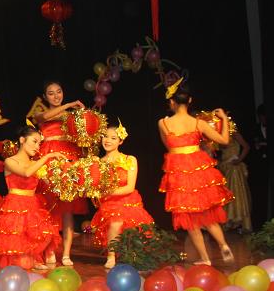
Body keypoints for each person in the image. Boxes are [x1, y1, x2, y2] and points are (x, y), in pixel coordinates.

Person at [158, 81, 234, 266]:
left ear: (172, 102)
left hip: (179, 171)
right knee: (208, 214)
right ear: (190, 100)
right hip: (199, 169)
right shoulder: (199, 123)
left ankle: (205, 258)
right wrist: (223, 119)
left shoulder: (163, 123)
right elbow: (224, 140)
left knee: (189, 218)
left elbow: (168, 146)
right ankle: (223, 245)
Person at [0, 126, 62, 271]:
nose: (37, 146)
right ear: (22, 140)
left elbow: (50, 183)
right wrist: (47, 157)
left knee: (45, 234)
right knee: (21, 255)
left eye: (39, 143)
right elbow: (26, 173)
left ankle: (33, 257)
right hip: (15, 205)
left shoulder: (36, 164)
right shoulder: (10, 161)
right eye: (34, 141)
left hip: (32, 205)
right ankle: (24, 260)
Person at [34, 80, 87, 266]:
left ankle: (66, 253)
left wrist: (83, 118)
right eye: (51, 93)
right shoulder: (41, 114)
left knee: (67, 209)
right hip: (49, 158)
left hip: (69, 157)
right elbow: (45, 117)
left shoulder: (72, 116)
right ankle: (49, 250)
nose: (56, 96)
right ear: (44, 97)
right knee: (49, 206)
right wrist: (70, 105)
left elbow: (84, 134)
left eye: (59, 91)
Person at [92, 123, 155, 268]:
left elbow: (130, 187)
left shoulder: (129, 160)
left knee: (134, 229)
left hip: (128, 200)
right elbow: (95, 187)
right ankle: (111, 256)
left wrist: (106, 192)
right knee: (116, 221)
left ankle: (130, 255)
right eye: (105, 136)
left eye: (113, 138)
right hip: (109, 204)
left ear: (120, 141)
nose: (107, 140)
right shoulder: (98, 163)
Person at [216, 127, 252, 232]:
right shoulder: (219, 135)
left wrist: (239, 160)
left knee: (235, 193)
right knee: (224, 194)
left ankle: (238, 221)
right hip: (224, 167)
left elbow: (246, 147)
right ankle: (227, 221)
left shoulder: (235, 134)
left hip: (233, 167)